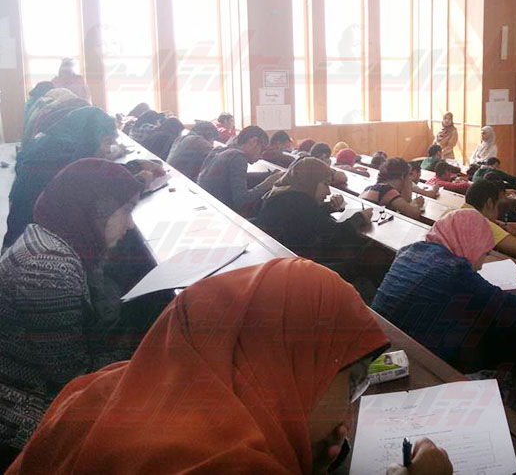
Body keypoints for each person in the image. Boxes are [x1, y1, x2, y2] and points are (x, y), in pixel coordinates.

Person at [4, 259, 454, 475]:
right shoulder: (224, 464)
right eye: (351, 382)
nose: (348, 418)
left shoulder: (103, 387)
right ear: (293, 367)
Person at [0, 159, 143, 463]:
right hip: (22, 408)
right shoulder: (48, 268)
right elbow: (71, 377)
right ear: (94, 211)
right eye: (126, 210)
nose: (130, 225)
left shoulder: (51, 238)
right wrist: (141, 355)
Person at [372, 209, 516, 368]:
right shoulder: (455, 272)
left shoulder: (410, 250)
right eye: (485, 253)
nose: (481, 265)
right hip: (407, 366)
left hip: (378, 347)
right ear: (471, 242)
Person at [4, 107, 119, 249]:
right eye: (107, 142)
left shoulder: (51, 144)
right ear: (92, 137)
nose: (108, 150)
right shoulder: (66, 156)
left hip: (18, 242)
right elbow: (101, 191)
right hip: (38, 252)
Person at [257, 157, 372, 270]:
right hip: (299, 268)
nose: (328, 192)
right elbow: (335, 235)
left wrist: (329, 207)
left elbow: (306, 219)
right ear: (310, 181)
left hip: (279, 259)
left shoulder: (283, 194)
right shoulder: (300, 201)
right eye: (326, 184)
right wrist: (360, 217)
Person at [197, 126, 281, 215]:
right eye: (262, 149)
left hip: (208, 205)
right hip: (223, 214)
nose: (261, 156)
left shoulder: (221, 150)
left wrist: (266, 175)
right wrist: (267, 184)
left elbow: (239, 177)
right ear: (254, 141)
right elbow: (241, 201)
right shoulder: (238, 157)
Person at [463, 179, 516, 263]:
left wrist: (505, 225)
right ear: (489, 204)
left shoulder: (459, 212)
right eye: (497, 206)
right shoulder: (482, 224)